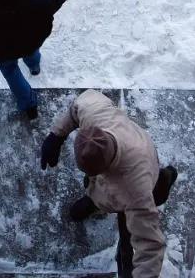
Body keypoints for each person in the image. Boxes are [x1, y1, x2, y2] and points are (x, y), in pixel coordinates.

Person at [40, 90, 178, 278]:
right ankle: (95, 202)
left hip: (142, 167)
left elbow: (150, 245)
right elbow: (78, 107)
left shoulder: (134, 189)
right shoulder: (94, 118)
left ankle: (166, 177)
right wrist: (56, 136)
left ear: (104, 170)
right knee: (93, 185)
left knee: (140, 214)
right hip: (133, 142)